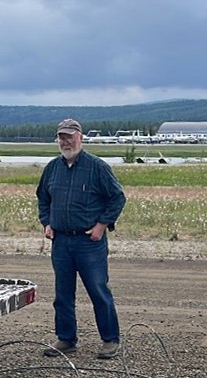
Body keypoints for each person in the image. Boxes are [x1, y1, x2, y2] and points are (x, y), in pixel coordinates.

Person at [36, 118, 127, 359]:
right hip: (61, 242)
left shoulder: (97, 167)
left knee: (98, 290)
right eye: (61, 137)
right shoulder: (52, 168)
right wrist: (46, 222)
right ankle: (66, 339)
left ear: (81, 137)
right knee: (62, 294)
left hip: (90, 242)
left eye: (70, 136)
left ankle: (110, 340)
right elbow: (43, 198)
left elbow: (117, 198)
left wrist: (101, 225)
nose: (65, 141)